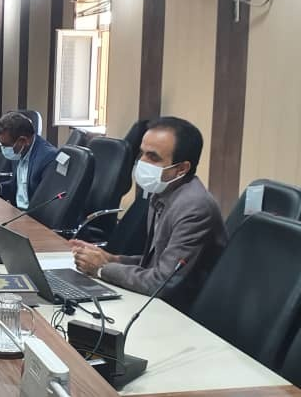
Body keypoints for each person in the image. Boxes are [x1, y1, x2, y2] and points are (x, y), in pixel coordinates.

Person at [71, 117, 227, 312]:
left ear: (181, 169)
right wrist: (111, 259)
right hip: (157, 302)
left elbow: (163, 282)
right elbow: (155, 262)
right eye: (142, 153)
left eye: (153, 157)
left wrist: (102, 268)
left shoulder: (194, 208)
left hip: (181, 311)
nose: (142, 162)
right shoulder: (162, 192)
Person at [0, 112, 58, 209]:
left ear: (23, 141)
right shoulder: (20, 151)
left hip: (32, 215)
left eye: (5, 145)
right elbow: (19, 188)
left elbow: (45, 203)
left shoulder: (47, 158)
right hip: (16, 210)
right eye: (0, 144)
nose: (3, 149)